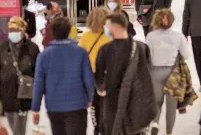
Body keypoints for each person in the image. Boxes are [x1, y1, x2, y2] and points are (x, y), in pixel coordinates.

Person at [32, 17, 94, 135]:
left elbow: (38, 83)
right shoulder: (80, 52)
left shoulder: (44, 55)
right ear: (69, 31)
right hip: (77, 105)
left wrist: (36, 108)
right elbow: (88, 78)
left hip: (54, 106)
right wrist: (91, 98)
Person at [96, 13, 153, 135]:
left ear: (114, 27)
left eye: (107, 26)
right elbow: (147, 76)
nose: (105, 29)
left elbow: (99, 82)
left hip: (112, 105)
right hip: (136, 104)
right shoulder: (141, 48)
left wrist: (102, 90)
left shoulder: (105, 50)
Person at [146, 9, 192, 135]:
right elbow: (187, 55)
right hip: (172, 73)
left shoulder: (150, 37)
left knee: (157, 103)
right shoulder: (178, 36)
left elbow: (147, 56)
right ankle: (169, 132)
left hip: (155, 72)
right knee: (171, 106)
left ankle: (155, 123)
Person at [0, 17, 39, 135]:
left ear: (22, 31)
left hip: (24, 97)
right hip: (7, 95)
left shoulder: (32, 48)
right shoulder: (2, 48)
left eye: (16, 30)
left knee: (19, 129)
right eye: (11, 30)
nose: (13, 33)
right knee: (13, 126)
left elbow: (38, 72)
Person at [79, 7, 111, 135]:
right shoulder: (109, 35)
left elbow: (80, 56)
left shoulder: (86, 36)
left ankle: (97, 128)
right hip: (106, 74)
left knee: (94, 104)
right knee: (106, 103)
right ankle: (104, 127)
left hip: (90, 75)